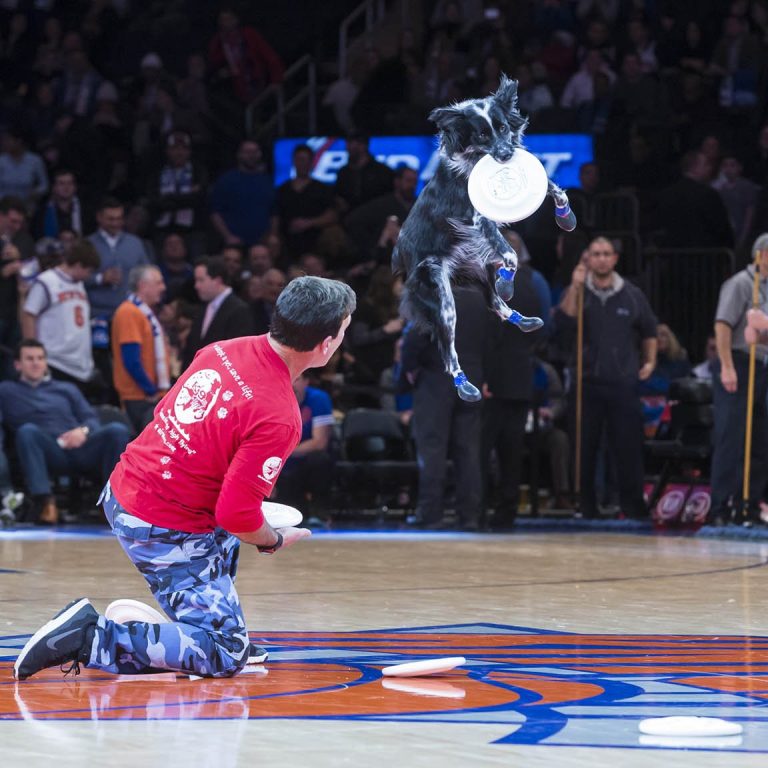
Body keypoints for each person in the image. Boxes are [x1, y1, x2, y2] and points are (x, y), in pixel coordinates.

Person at [13, 276, 355, 682]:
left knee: (223, 549)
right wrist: (273, 539)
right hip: (158, 521)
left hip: (126, 486)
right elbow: (236, 515)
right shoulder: (279, 415)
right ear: (326, 345)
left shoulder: (222, 350)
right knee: (227, 655)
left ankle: (217, 628)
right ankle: (89, 637)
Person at [556, 236, 657, 519]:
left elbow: (649, 330)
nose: (601, 259)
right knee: (584, 449)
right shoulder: (577, 291)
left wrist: (649, 361)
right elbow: (564, 323)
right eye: (595, 254)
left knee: (627, 447)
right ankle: (586, 505)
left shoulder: (632, 294)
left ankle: (632, 506)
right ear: (587, 258)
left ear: (615, 258)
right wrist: (575, 286)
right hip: (585, 383)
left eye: (606, 254)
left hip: (622, 382)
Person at [0, 339, 131, 525]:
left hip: (81, 446)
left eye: (40, 358)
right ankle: (45, 503)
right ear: (17, 365)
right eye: (30, 359)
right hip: (46, 449)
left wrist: (82, 431)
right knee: (27, 431)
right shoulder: (6, 391)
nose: (36, 363)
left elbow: (91, 418)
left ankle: (111, 503)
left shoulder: (66, 389)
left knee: (116, 430)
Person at [401, 285, 487, 530]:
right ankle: (469, 516)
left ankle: (430, 514)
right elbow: (492, 339)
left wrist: (409, 369)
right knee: (469, 451)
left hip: (435, 378)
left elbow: (414, 338)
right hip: (471, 377)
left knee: (432, 450)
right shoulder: (481, 298)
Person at [710, 234, 768, 523]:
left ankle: (751, 504)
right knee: (731, 437)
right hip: (738, 363)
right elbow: (722, 325)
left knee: (759, 438)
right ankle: (720, 507)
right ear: (761, 255)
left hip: (763, 366)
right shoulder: (740, 284)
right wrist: (727, 366)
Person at [21, 238, 102, 398]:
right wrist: (32, 352)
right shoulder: (47, 281)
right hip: (55, 362)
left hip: (80, 365)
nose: (89, 276)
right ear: (79, 265)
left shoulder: (78, 284)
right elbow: (29, 313)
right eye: (89, 271)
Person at [111, 266, 170, 432]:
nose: (163, 287)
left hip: (149, 394)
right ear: (143, 285)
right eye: (158, 283)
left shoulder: (143, 312)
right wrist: (150, 389)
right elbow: (131, 359)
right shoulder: (128, 312)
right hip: (140, 396)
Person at [277, 370, 336, 521]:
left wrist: (284, 454)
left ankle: (320, 513)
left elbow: (319, 442)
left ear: (306, 381)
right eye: (287, 379)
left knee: (319, 459)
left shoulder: (318, 399)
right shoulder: (275, 399)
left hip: (304, 458)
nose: (291, 384)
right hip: (282, 461)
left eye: (296, 379)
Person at [182, 255, 255, 370]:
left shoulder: (239, 310)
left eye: (201, 280)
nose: (196, 286)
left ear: (217, 281)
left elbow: (237, 356)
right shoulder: (203, 308)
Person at [86, 197, 150, 321]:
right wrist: (100, 278)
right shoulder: (87, 244)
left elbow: (147, 275)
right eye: (111, 219)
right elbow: (75, 278)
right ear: (99, 217)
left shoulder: (135, 243)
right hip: (96, 315)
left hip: (130, 313)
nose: (115, 223)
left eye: (119, 219)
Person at [272, 144, 337, 262]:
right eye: (299, 159)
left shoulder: (322, 189)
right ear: (294, 161)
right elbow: (275, 216)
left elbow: (332, 215)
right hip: (287, 243)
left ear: (312, 162)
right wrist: (274, 235)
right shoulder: (282, 190)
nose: (302, 163)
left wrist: (308, 223)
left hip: (316, 243)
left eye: (306, 160)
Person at [209, 139, 274, 248]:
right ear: (239, 155)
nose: (251, 156)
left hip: (262, 244)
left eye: (255, 152)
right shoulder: (226, 181)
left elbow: (274, 214)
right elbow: (215, 213)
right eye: (247, 152)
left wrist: (272, 236)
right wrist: (227, 236)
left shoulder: (267, 181)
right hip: (234, 245)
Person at [31, 169, 91, 239]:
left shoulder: (86, 211)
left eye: (70, 183)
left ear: (75, 187)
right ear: (54, 188)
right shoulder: (42, 212)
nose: (66, 187)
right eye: (61, 183)